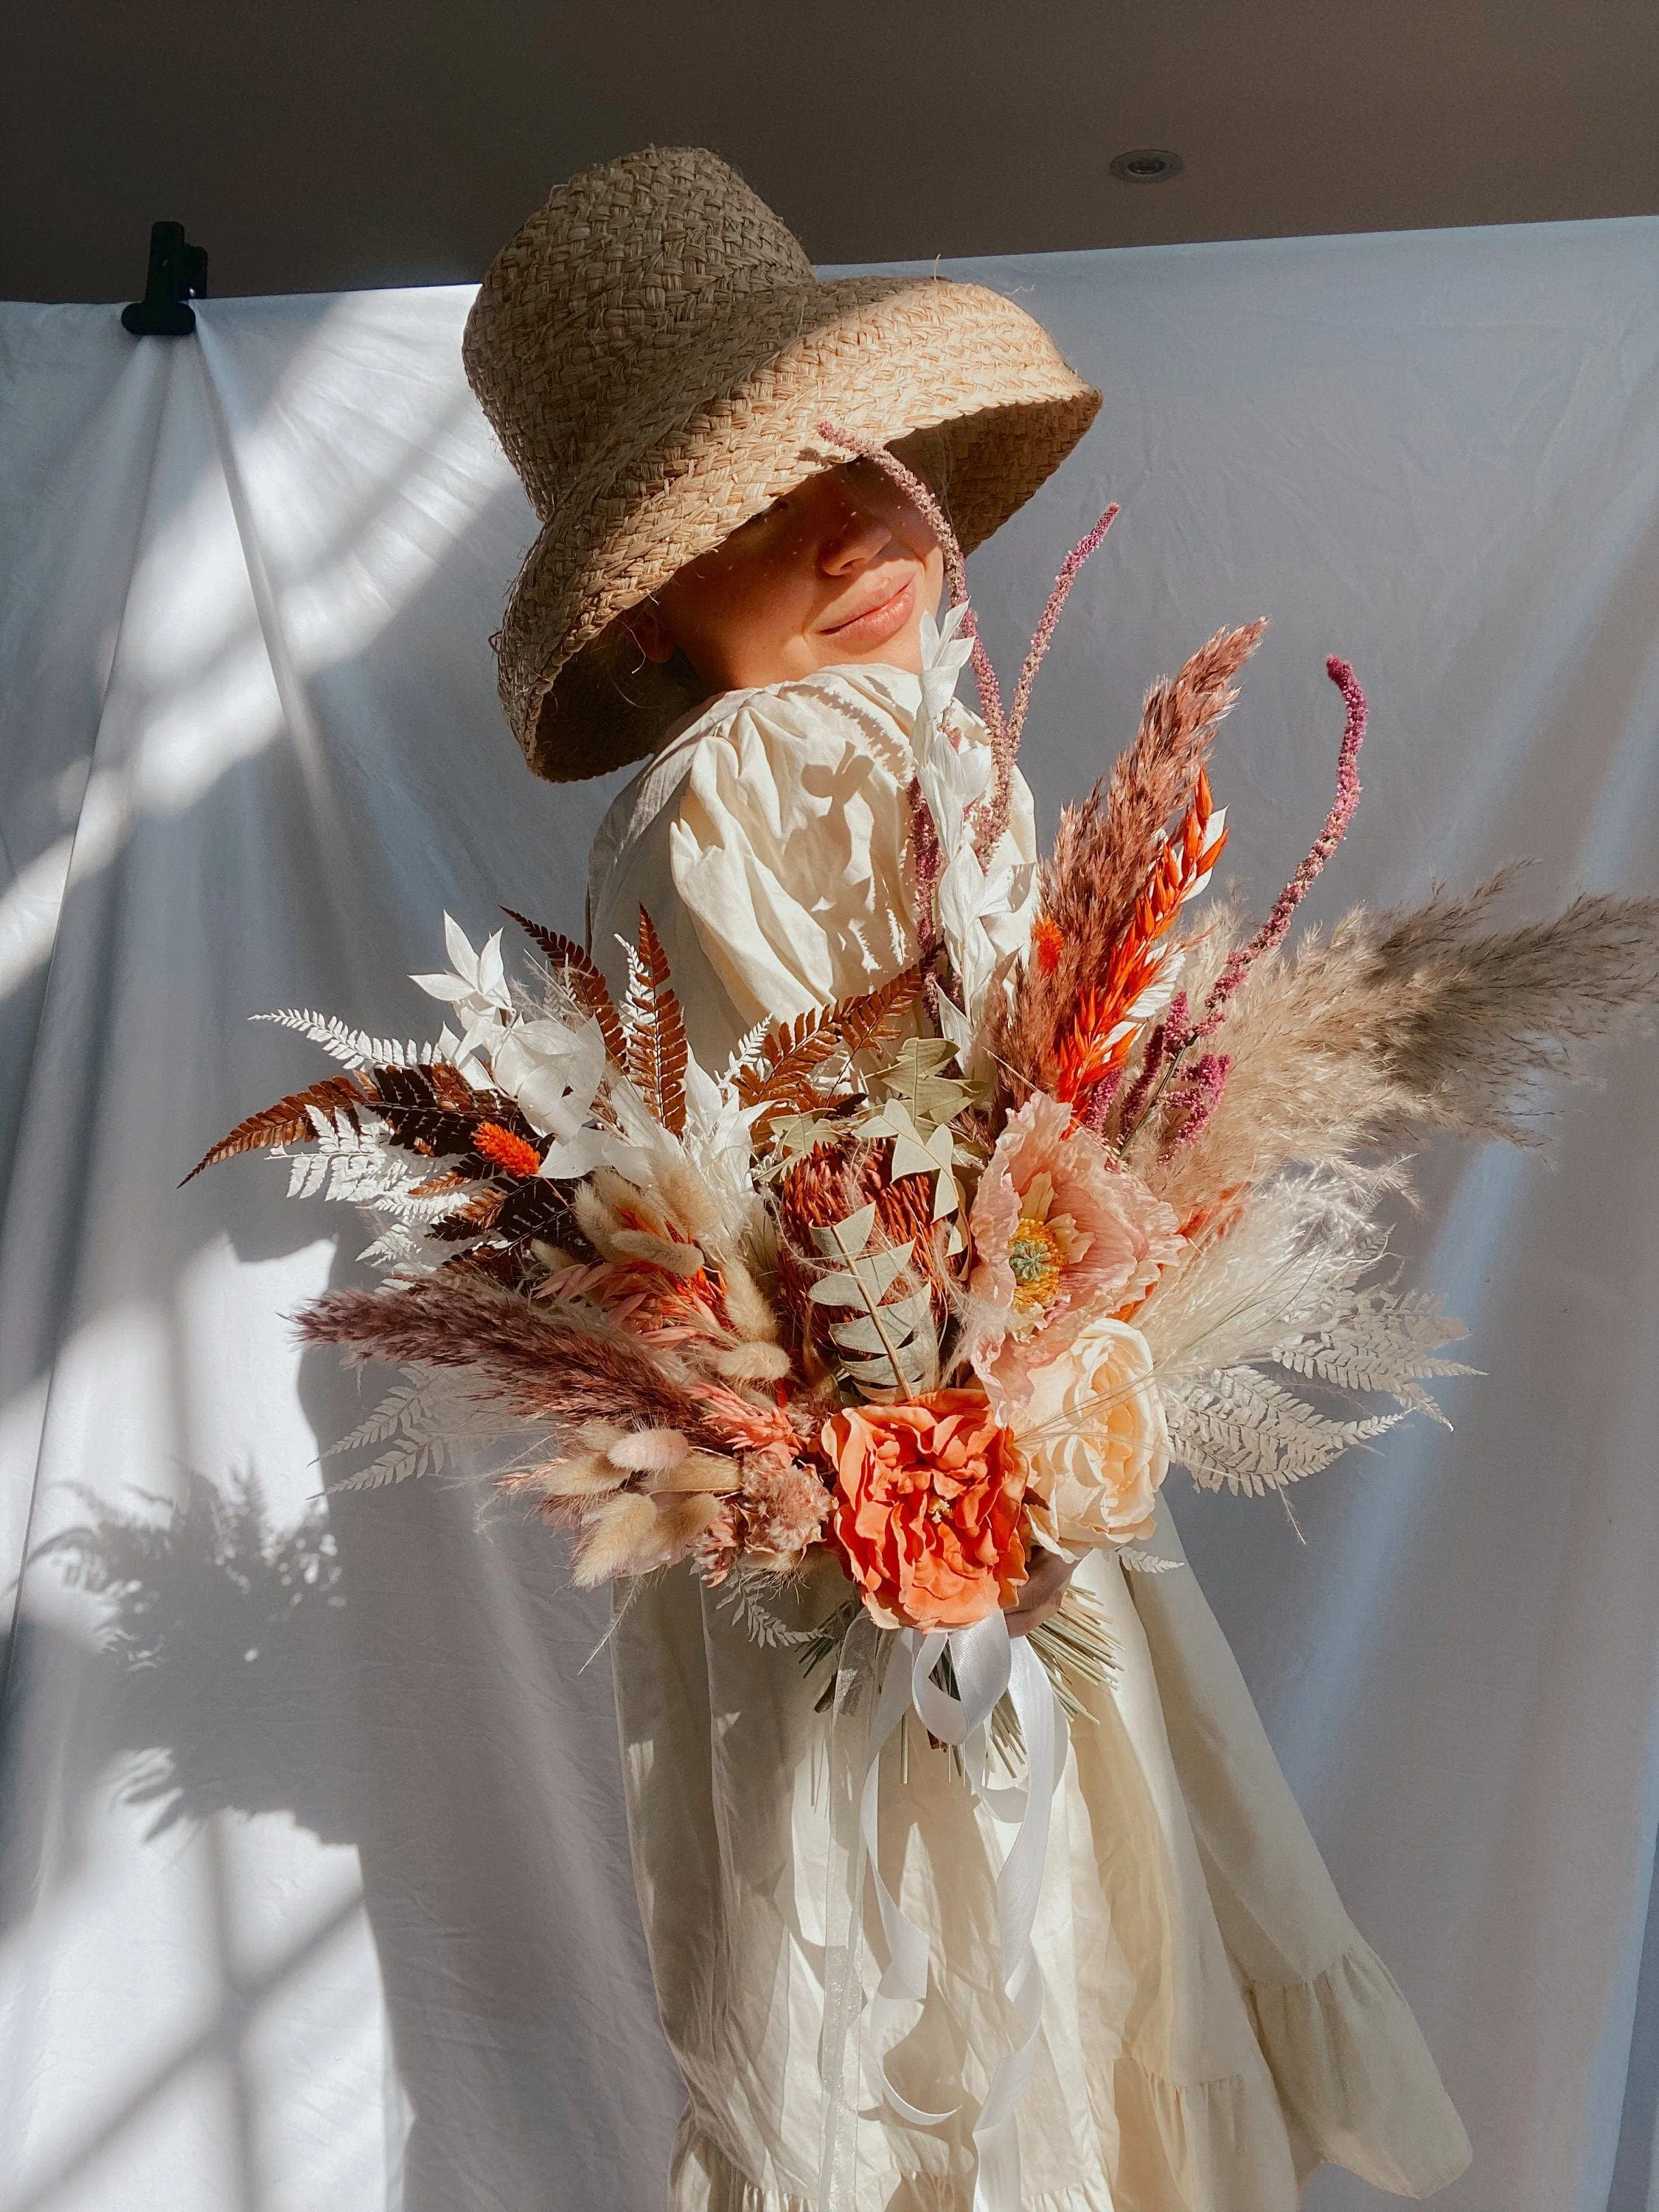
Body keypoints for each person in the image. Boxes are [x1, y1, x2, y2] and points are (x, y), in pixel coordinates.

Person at [462, 145, 1472, 2211]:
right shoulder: (774, 768)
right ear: (652, 591)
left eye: (866, 458)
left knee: (916, 2021)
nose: (855, 524)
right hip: (922, 1536)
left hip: (891, 1525)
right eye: (758, 494)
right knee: (1034, 1989)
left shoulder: (853, 753)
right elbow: (892, 1215)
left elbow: (973, 1159)